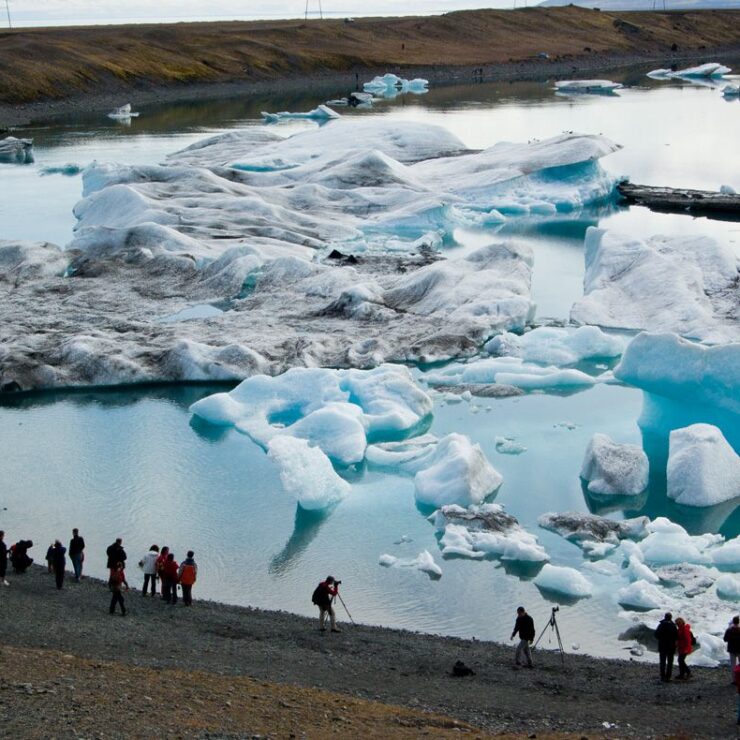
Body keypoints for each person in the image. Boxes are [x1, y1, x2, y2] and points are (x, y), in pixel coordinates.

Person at [655, 612, 678, 682]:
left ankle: (662, 676)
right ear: (671, 618)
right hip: (671, 647)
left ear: (665, 617)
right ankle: (668, 677)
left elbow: (656, 634)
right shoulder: (673, 626)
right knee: (670, 662)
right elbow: (676, 636)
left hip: (662, 646)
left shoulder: (661, 625)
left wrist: (661, 639)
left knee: (662, 662)